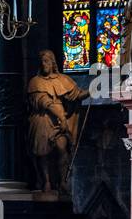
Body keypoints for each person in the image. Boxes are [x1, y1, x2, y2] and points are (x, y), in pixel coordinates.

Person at [26, 49, 87, 195]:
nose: (44, 64)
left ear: (53, 63)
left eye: (47, 61)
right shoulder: (35, 82)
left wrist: (92, 90)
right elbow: (43, 101)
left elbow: (76, 95)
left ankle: (62, 181)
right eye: (42, 61)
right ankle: (46, 181)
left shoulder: (62, 80)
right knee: (43, 152)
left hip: (60, 120)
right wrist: (62, 118)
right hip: (43, 118)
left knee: (62, 148)